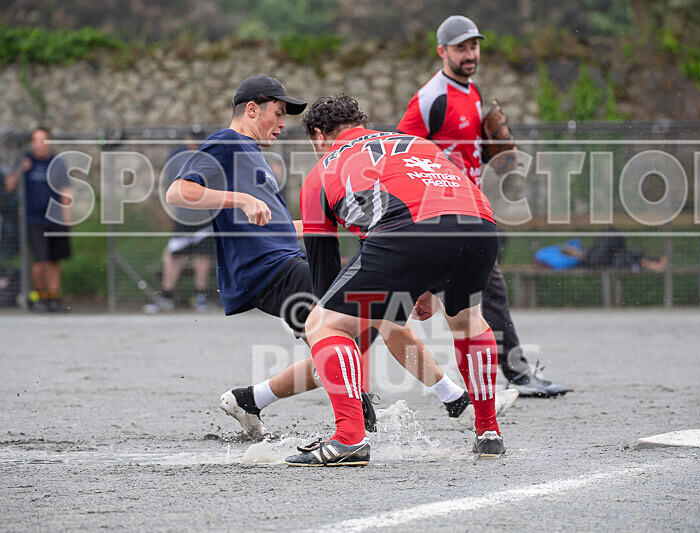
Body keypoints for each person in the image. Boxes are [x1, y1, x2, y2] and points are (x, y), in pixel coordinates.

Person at [164, 76, 517, 440]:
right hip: (269, 271)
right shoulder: (227, 142)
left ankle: (252, 400)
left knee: (346, 337)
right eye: (278, 113)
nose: (283, 123)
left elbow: (278, 227)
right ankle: (453, 400)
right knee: (382, 317)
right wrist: (240, 200)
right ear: (251, 110)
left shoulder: (254, 155)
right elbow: (178, 192)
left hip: (283, 261)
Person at [288, 93, 506, 467]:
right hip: (481, 224)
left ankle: (349, 439)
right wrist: (423, 282)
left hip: (409, 230)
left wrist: (326, 329)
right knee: (467, 321)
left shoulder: (321, 171)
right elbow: (437, 203)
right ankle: (489, 432)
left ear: (319, 136)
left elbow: (325, 270)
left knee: (323, 324)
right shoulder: (415, 143)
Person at [397, 15, 569, 397]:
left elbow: (472, 150)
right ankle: (347, 362)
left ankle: (515, 375)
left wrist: (488, 152)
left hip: (471, 213)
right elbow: (401, 151)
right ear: (442, 51)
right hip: (439, 215)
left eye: (473, 46)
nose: (470, 54)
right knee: (399, 299)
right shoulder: (431, 98)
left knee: (485, 297)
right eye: (460, 48)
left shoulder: (472, 93)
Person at [4, 127, 71, 312]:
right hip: (34, 219)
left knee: (54, 260)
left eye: (43, 140)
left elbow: (65, 191)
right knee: (40, 260)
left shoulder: (57, 163)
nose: (40, 144)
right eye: (36, 140)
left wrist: (67, 217)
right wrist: (20, 169)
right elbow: (9, 186)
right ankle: (39, 296)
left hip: (55, 218)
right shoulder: (25, 160)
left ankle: (53, 297)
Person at [144, 136, 214, 313]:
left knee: (203, 255)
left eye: (199, 141)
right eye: (193, 140)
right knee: (173, 255)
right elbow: (171, 185)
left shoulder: (211, 156)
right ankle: (166, 296)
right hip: (184, 218)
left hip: (204, 218)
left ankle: (200, 297)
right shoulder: (178, 157)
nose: (195, 144)